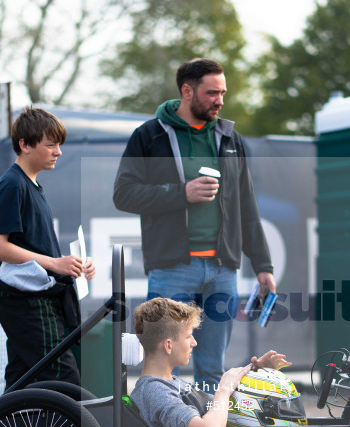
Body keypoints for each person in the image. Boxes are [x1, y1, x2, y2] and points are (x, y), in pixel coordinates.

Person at [114, 58, 275, 394]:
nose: (219, 100)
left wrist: (263, 266)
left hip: (223, 270)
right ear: (187, 91)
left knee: (212, 368)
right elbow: (124, 194)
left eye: (222, 93)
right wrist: (182, 193)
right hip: (172, 268)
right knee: (160, 362)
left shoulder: (231, 139)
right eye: (211, 93)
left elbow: (247, 206)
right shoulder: (149, 136)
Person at [0, 106, 96, 389]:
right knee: (64, 379)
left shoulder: (30, 185)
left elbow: (34, 248)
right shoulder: (13, 185)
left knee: (23, 376)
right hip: (26, 298)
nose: (58, 152)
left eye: (59, 145)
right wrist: (53, 263)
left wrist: (71, 264)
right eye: (50, 145)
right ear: (24, 145)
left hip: (35, 294)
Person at [130, 297, 290, 427]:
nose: (194, 342)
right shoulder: (155, 392)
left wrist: (254, 373)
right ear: (168, 346)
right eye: (188, 337)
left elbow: (218, 409)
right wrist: (224, 389)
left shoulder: (170, 383)